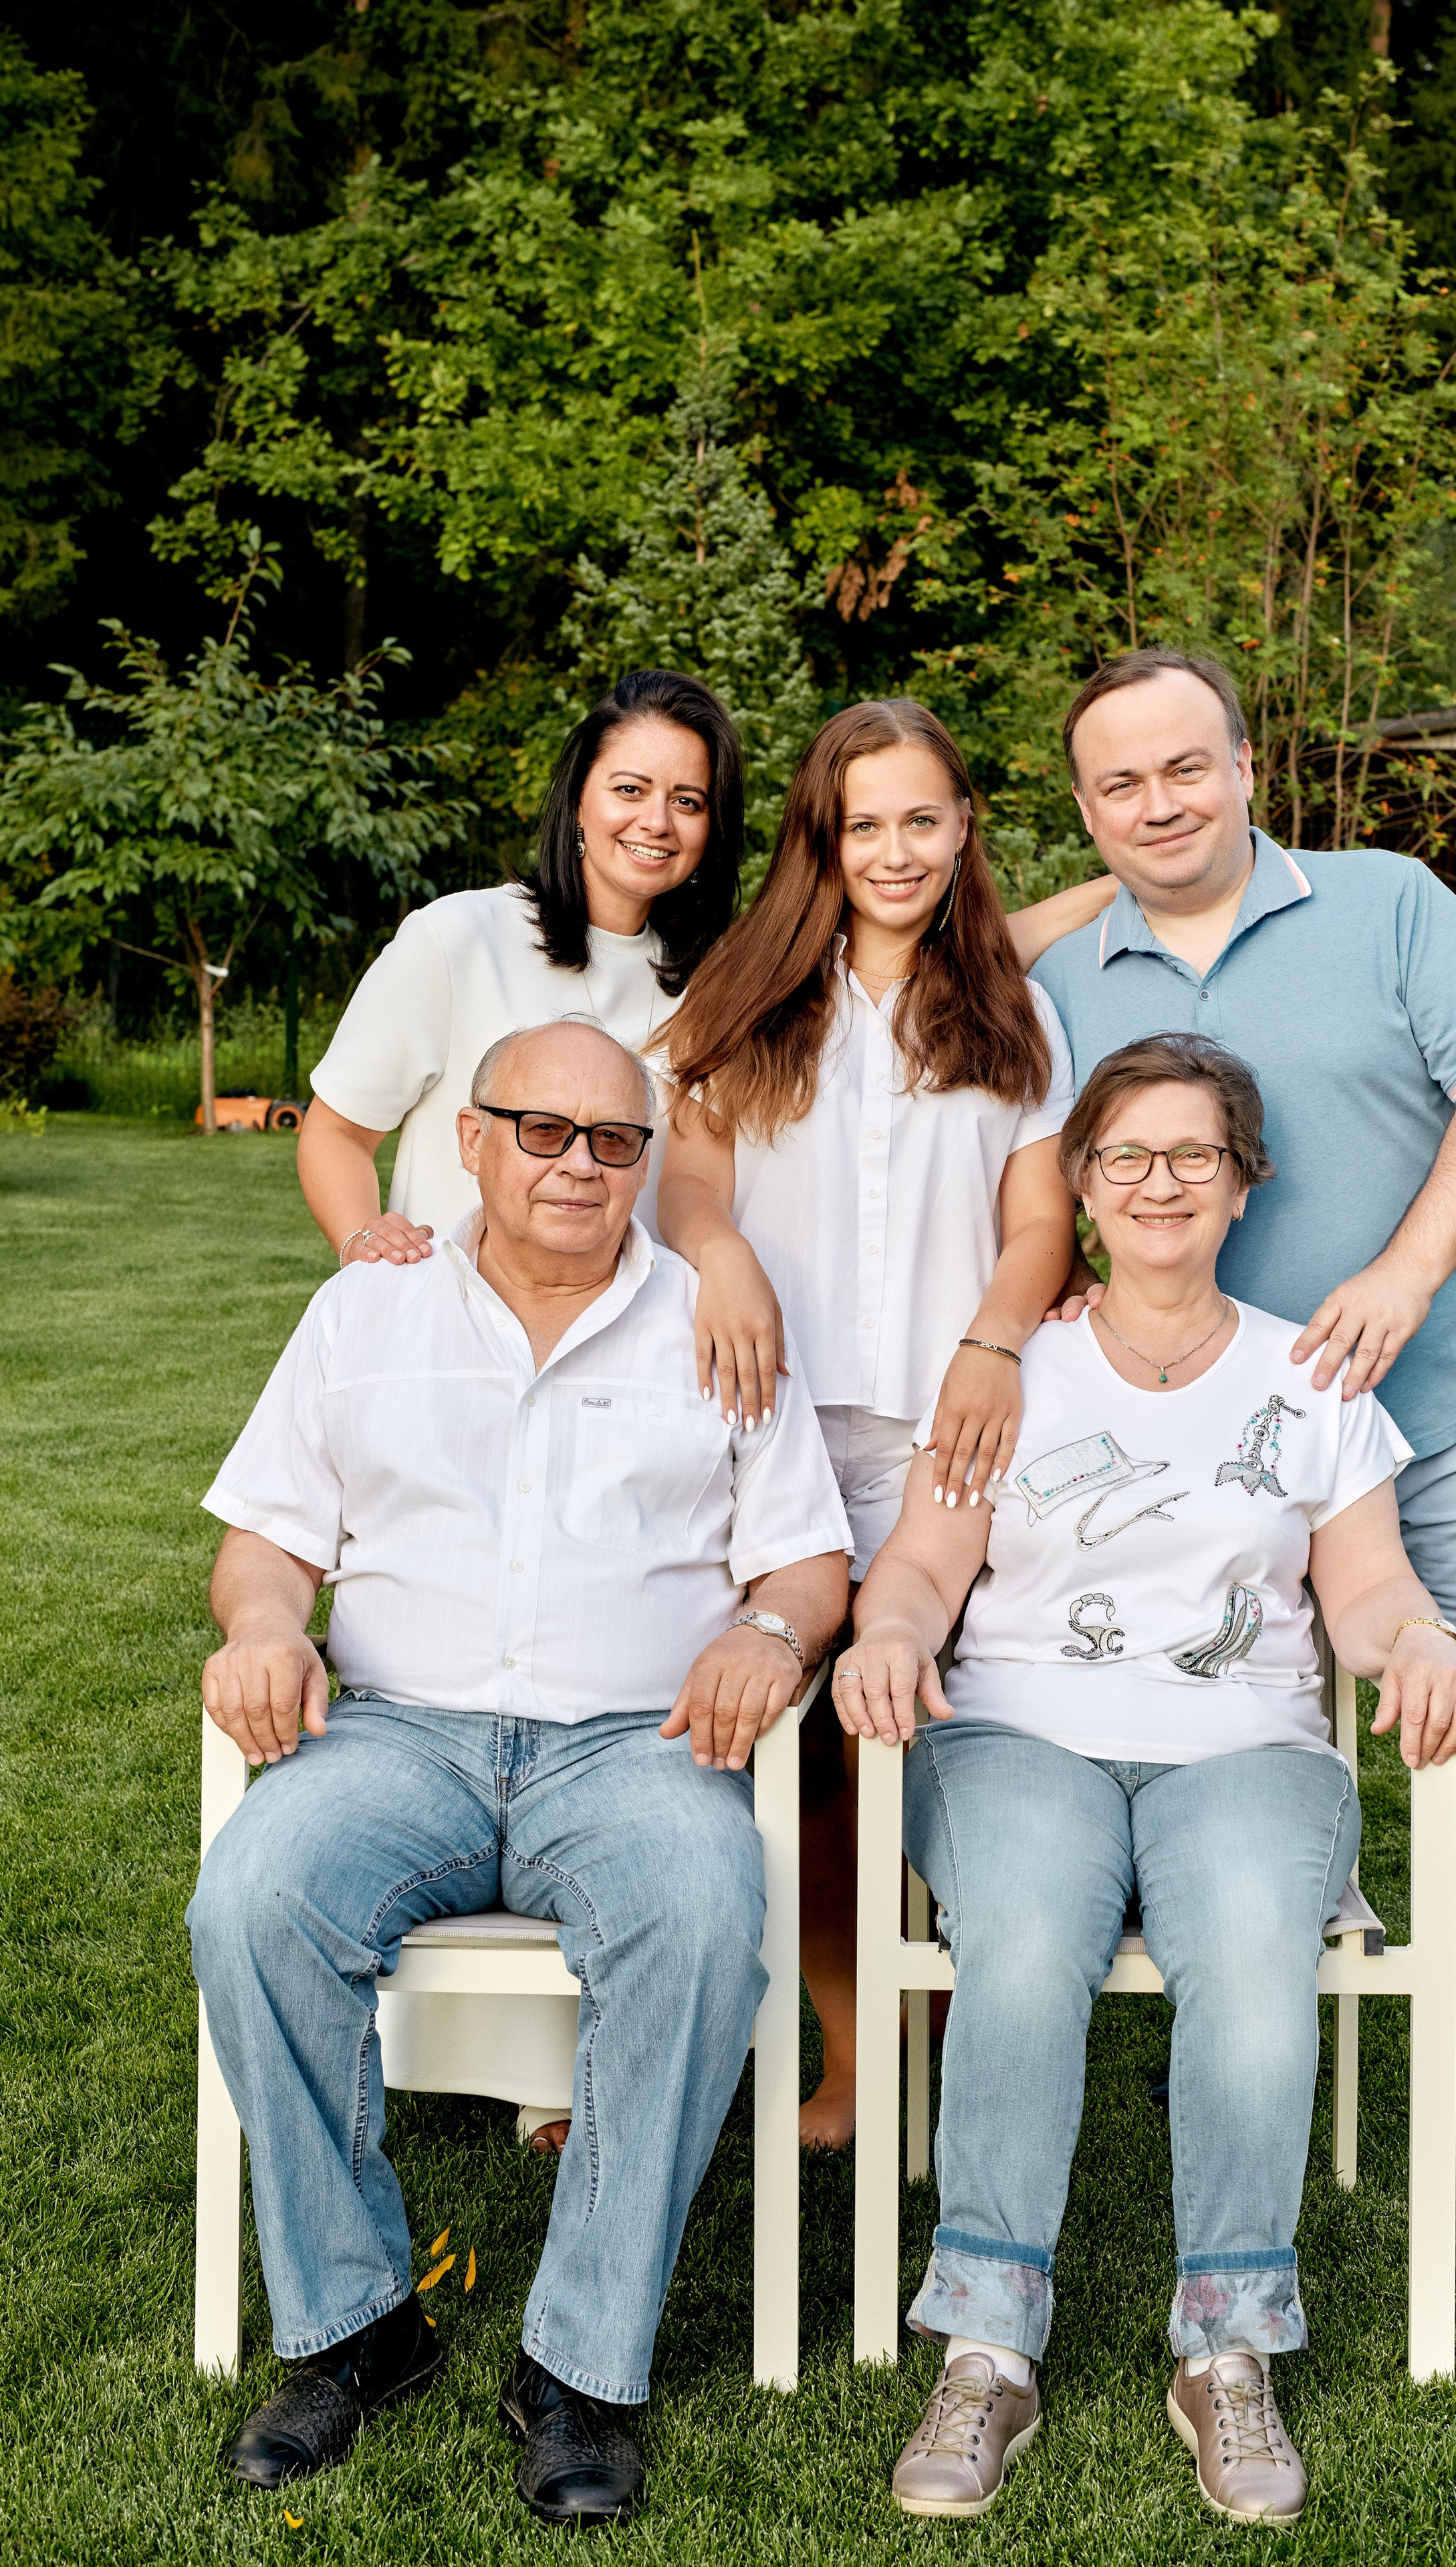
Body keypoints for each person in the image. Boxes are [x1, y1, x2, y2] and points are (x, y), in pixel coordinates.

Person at [188, 1018, 850, 2527]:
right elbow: (268, 1537)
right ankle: (359, 2326)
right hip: (399, 1731)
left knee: (695, 1915)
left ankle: (581, 2368)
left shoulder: (711, 1319)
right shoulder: (368, 1315)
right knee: (253, 1904)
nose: (576, 1164)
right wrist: (267, 1622)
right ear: (471, 1140)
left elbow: (808, 1559)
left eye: (614, 1139)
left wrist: (767, 1627)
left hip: (636, 1743)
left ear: (646, 1160)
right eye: (539, 1131)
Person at [834, 1034, 1456, 2525]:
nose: (1158, 1183)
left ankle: (1227, 2350)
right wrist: (883, 1634)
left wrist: (1424, 1644)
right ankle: (990, 2344)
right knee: (1021, 1942)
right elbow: (925, 1568)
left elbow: (1369, 1593)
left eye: (1194, 1154)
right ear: (1079, 1184)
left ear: (1242, 1184)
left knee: (1255, 1950)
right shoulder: (1007, 1370)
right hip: (1012, 1733)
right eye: (1124, 1155)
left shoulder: (1306, 1375)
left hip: (1245, 1749)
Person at [1029, 648, 1456, 2162]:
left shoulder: (1387, 899)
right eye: (1117, 782)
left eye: (1183, 765)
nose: (1157, 801)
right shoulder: (1064, 977)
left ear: (1247, 764)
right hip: (1189, 1455)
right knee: (1203, 1704)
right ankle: (1222, 1967)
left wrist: (1404, 1269)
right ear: (1079, 807)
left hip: (1429, 1396)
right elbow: (909, 981)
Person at [658, 699, 1082, 2147]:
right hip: (764, 1426)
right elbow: (691, 1186)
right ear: (818, 841)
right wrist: (718, 1257)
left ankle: (963, 2058)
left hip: (946, 1438)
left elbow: (1039, 1222)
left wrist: (989, 1343)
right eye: (863, 824)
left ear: (963, 831)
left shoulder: (1013, 1010)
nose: (892, 850)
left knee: (946, 1740)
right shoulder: (752, 995)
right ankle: (849, 2061)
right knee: (808, 1758)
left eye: (921, 819)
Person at [297, 665, 743, 1265]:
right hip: (451, 1323)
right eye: (630, 790)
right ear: (580, 797)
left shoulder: (716, 986)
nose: (657, 822)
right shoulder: (456, 938)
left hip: (626, 1341)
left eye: (687, 801)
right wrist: (361, 1243)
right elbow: (337, 1133)